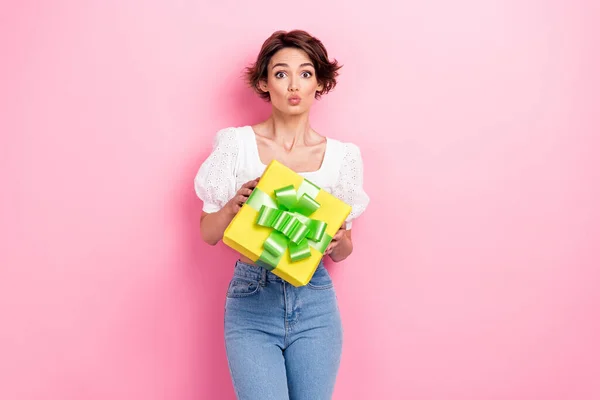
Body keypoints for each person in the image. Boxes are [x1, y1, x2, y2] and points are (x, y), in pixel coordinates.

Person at [194, 29, 369, 400]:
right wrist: (231, 207)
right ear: (264, 82)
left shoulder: (342, 157)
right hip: (252, 298)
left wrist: (338, 241)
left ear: (320, 82)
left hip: (315, 301)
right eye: (280, 73)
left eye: (306, 73)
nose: (294, 85)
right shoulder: (236, 145)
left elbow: (345, 248)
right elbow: (208, 233)